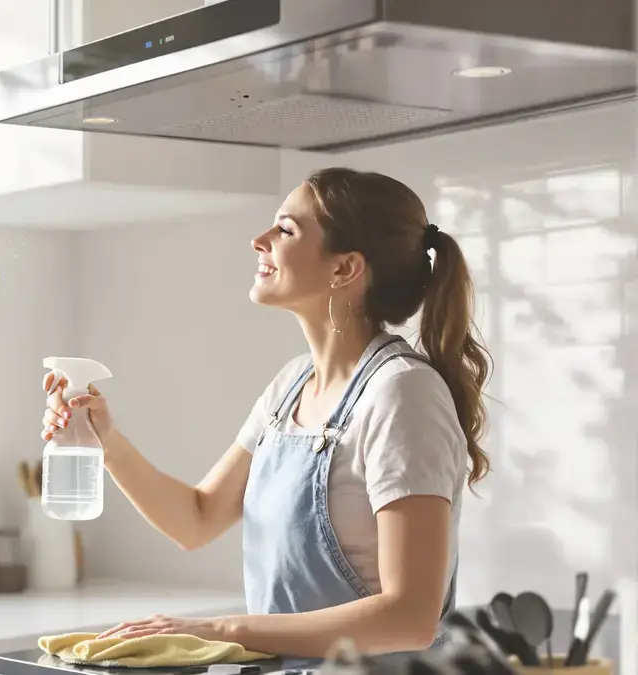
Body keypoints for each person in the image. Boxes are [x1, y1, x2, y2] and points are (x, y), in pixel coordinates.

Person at [39, 167, 492, 660]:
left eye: (286, 230)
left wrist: (220, 628)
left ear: (345, 269)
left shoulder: (402, 394)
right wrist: (106, 440)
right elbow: (197, 518)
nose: (259, 240)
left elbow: (410, 619)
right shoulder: (291, 385)